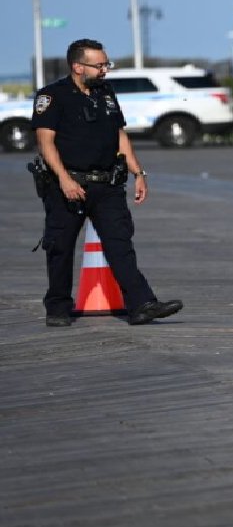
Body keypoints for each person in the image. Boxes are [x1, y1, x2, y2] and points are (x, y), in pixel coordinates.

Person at [31, 38, 183, 327]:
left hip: (107, 184)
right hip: (69, 185)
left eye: (106, 64)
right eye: (99, 65)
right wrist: (64, 179)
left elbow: (120, 135)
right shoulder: (52, 96)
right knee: (60, 246)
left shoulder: (106, 93)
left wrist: (139, 173)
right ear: (78, 67)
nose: (105, 70)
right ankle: (58, 307)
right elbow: (45, 142)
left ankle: (142, 304)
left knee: (120, 244)